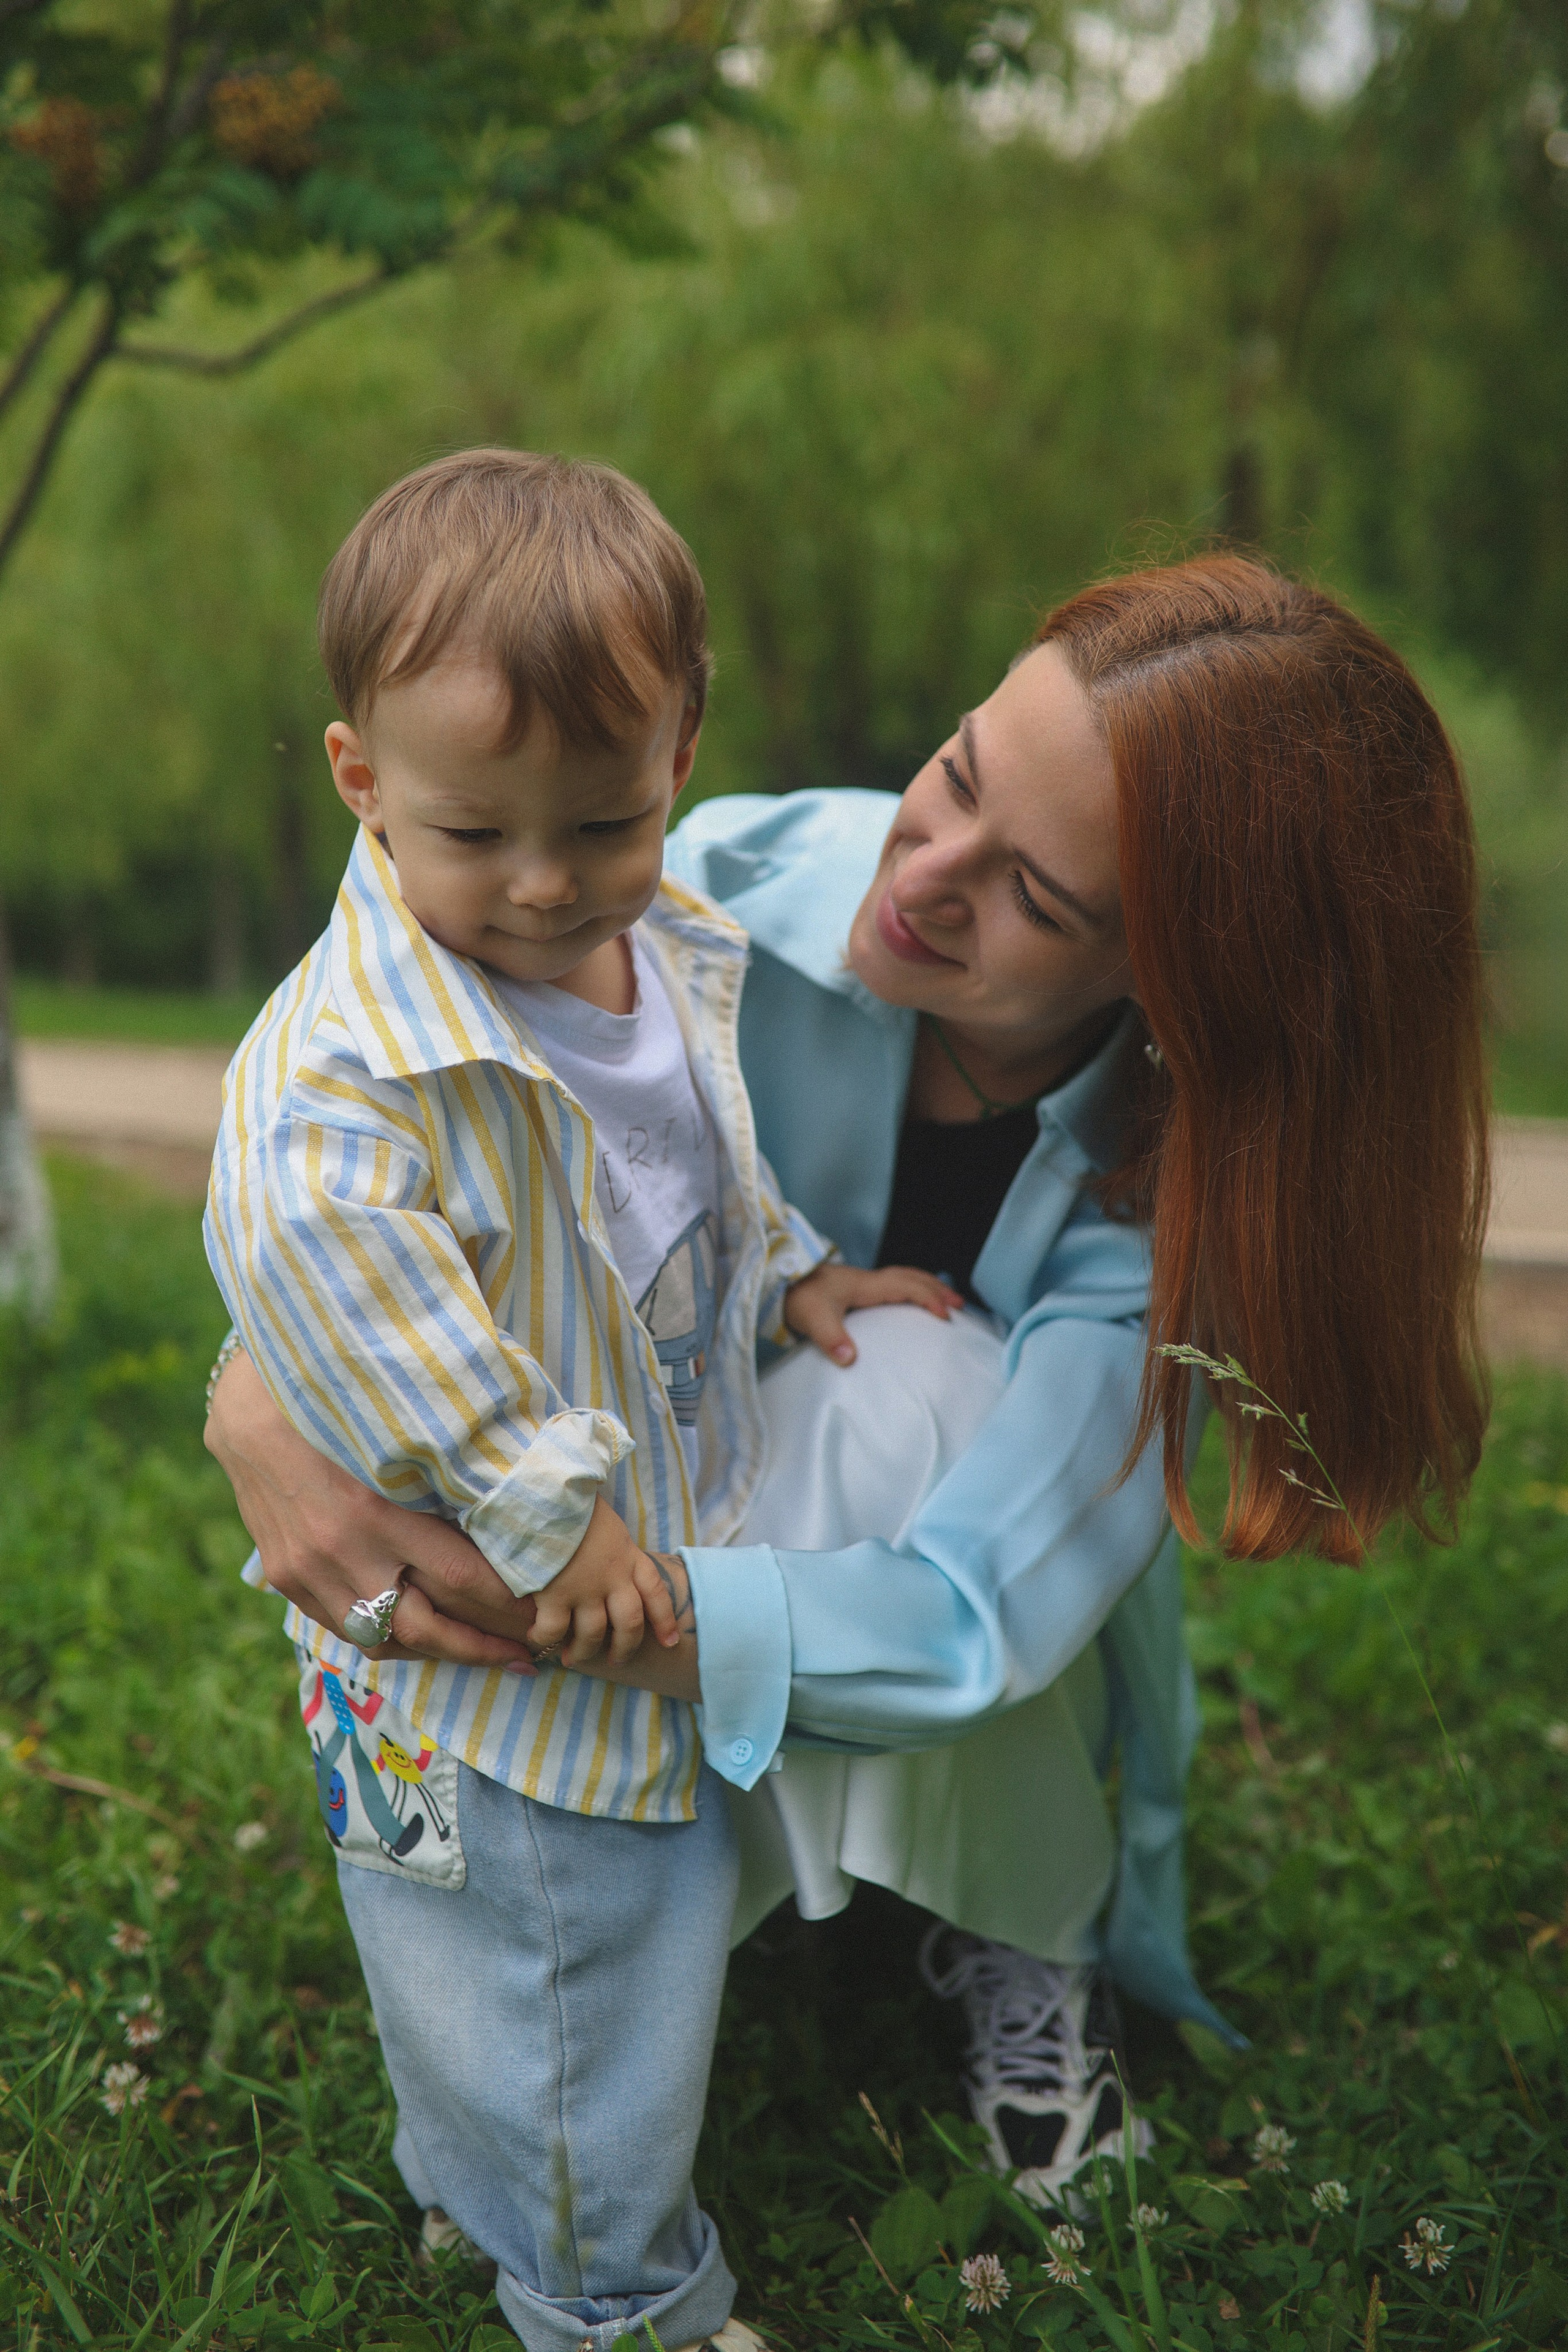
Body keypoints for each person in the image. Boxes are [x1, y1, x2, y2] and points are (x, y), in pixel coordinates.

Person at [208, 556, 1489, 2214]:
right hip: (616, 1463)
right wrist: (258, 1404)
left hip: (793, 1583)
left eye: (1036, 896)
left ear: (1179, 989)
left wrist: (583, 1620)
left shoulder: (1166, 1204)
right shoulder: (679, 886)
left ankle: (1012, 1933)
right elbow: (351, 1119)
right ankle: (626, 1914)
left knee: (918, 1367)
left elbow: (977, 1614)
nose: (922, 876)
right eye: (955, 773)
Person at [203, 447, 958, 2352]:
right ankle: (609, 2294)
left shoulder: (662, 942)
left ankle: (487, 2182)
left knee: (594, 1952)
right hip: (495, 1652)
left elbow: (686, 1167)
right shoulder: (346, 1086)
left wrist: (792, 1269)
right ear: (361, 780)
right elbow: (392, 1347)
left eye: (602, 825)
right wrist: (561, 1518)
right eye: (476, 838)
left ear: (682, 747)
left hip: (633, 1571)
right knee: (559, 1963)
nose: (543, 890)